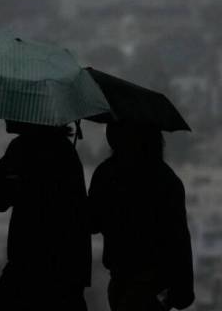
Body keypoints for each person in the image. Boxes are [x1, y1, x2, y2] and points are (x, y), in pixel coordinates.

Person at [0, 120, 91, 311]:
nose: (6, 118)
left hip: (30, 263)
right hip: (68, 266)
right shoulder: (64, 149)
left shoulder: (25, 148)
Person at [88, 122, 194, 311]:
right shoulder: (166, 179)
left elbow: (92, 223)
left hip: (121, 280)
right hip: (156, 287)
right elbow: (179, 240)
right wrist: (183, 292)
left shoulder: (107, 173)